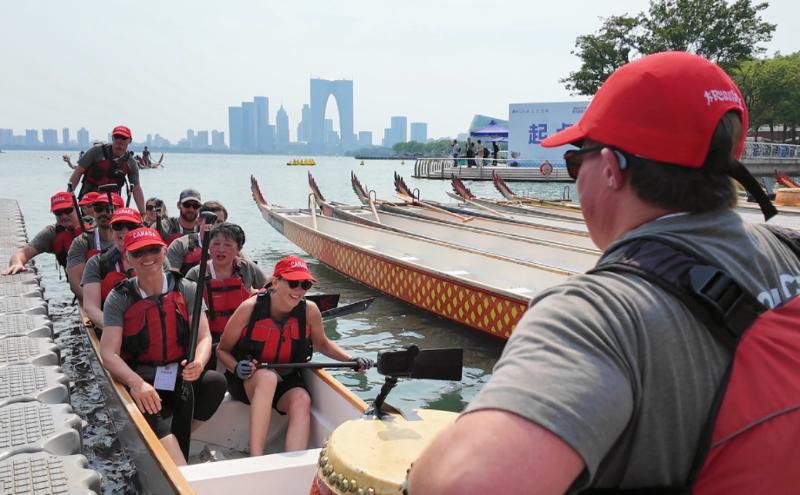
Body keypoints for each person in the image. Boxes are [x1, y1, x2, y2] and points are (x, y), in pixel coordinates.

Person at [408, 52, 800, 493]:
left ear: (612, 169)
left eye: (576, 162)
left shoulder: (597, 316)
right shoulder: (791, 248)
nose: (576, 178)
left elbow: (467, 484)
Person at [216, 256, 374, 456]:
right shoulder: (250, 308)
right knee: (267, 377)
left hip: (285, 379)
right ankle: (257, 456)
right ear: (275, 282)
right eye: (293, 283)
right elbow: (222, 350)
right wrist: (236, 367)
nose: (299, 290)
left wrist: (351, 359)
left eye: (305, 285)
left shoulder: (310, 310)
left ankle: (294, 461)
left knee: (302, 399)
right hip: (248, 381)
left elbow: (323, 344)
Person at [100, 227, 226, 466]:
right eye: (138, 253)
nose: (147, 257)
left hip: (180, 374)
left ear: (164, 251)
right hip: (144, 377)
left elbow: (204, 337)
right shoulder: (119, 298)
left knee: (215, 383)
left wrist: (199, 363)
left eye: (153, 250)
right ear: (128, 258)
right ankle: (171, 451)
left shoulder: (186, 288)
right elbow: (108, 353)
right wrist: (136, 384)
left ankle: (173, 436)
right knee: (164, 430)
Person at [186, 222, 267, 369]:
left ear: (239, 249)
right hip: (209, 340)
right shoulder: (196, 273)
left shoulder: (247, 268)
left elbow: (270, 289)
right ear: (208, 246)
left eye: (228, 245)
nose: (221, 249)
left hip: (243, 339)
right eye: (216, 244)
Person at [81, 208, 144, 330]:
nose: (124, 231)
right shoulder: (96, 263)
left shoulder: (154, 259)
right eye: (118, 226)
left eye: (131, 226)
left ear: (141, 229)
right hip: (111, 326)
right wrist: (116, 331)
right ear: (111, 229)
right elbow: (90, 307)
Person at [68, 125, 145, 214]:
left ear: (130, 140)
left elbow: (136, 188)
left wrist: (143, 213)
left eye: (123, 138)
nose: (119, 140)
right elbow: (78, 172)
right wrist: (68, 200)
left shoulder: (131, 162)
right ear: (112, 138)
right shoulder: (96, 151)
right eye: (117, 137)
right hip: (90, 201)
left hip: (111, 203)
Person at [3, 192, 82, 275]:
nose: (64, 216)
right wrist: (17, 264)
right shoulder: (51, 233)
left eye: (68, 210)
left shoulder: (90, 229)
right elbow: (21, 254)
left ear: (77, 209)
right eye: (58, 212)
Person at [66, 193, 123, 301]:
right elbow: (75, 282)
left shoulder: (132, 240)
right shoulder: (82, 242)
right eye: (98, 209)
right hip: (94, 299)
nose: (103, 213)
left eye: (108, 209)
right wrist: (93, 305)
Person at [167, 201, 227, 276]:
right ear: (199, 221)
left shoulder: (231, 249)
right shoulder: (180, 245)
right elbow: (171, 279)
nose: (215, 226)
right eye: (211, 221)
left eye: (219, 222)